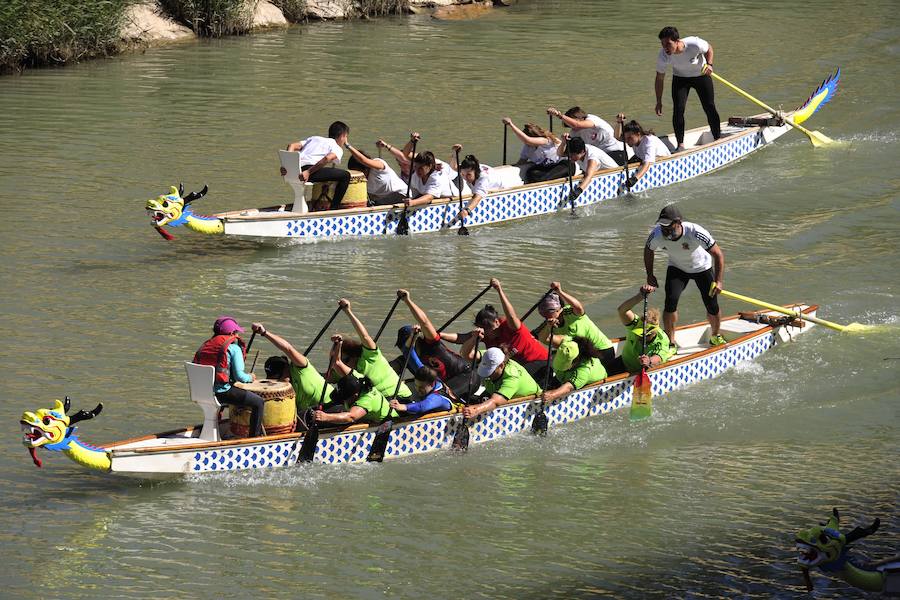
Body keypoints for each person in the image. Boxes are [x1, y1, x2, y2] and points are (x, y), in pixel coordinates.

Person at [644, 204, 726, 346]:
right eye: (662, 226)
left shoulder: (695, 232)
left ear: (678, 223)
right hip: (677, 267)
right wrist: (650, 275)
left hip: (702, 268)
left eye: (668, 226)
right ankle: (670, 342)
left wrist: (718, 281)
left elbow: (718, 255)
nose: (665, 230)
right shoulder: (657, 235)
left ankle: (715, 335)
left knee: (712, 305)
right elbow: (648, 250)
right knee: (670, 303)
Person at [328, 298, 413, 401]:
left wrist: (348, 311)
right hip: (376, 401)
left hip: (398, 398)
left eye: (345, 361)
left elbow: (365, 336)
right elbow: (327, 376)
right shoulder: (347, 370)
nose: (342, 365)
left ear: (354, 356)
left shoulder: (371, 356)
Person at [194, 317, 264, 438]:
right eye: (236, 332)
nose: (237, 334)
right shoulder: (234, 348)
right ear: (232, 333)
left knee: (232, 395)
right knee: (258, 402)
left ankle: (213, 428)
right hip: (221, 393)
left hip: (202, 393)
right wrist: (251, 377)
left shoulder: (205, 346)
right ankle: (254, 438)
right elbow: (240, 377)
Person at [396, 289, 476, 395]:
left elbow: (424, 322)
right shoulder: (408, 358)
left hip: (467, 377)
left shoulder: (431, 342)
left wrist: (407, 300)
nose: (403, 349)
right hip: (447, 382)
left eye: (404, 345)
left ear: (413, 339)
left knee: (436, 395)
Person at [655, 26, 721, 152]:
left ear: (677, 41)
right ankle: (680, 145)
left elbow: (709, 48)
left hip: (701, 76)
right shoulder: (663, 55)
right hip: (680, 79)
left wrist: (710, 64)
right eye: (663, 44)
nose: (665, 48)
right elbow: (659, 78)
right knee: (678, 110)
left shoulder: (694, 43)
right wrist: (659, 101)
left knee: (709, 106)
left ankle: (717, 138)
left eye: (668, 44)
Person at [250, 322, 335, 413]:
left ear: (286, 368)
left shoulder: (301, 367)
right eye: (275, 380)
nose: (279, 382)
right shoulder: (283, 389)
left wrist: (264, 333)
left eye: (279, 378)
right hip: (311, 414)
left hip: (331, 404)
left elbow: (287, 348)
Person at [472, 278, 548, 378]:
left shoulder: (511, 326)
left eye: (487, 328)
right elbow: (460, 338)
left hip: (540, 362)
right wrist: (443, 335)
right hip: (515, 365)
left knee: (515, 375)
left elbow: (511, 316)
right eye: (482, 329)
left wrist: (499, 290)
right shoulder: (484, 333)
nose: (485, 333)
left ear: (496, 322)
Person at [535, 281, 616, 372]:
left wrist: (559, 292)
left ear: (559, 309)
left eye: (548, 312)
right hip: (583, 355)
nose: (546, 316)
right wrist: (548, 327)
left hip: (602, 351)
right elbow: (539, 338)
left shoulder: (570, 312)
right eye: (543, 313)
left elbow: (578, 307)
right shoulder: (548, 323)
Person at [282, 121, 352, 210]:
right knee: (345, 176)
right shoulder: (337, 147)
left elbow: (291, 146)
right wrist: (308, 172)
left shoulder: (314, 138)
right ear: (342, 136)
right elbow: (327, 158)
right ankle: (334, 208)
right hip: (308, 171)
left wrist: (287, 165)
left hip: (295, 169)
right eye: (346, 137)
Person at [607, 285, 675, 374]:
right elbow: (622, 310)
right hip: (625, 362)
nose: (639, 337)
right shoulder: (636, 324)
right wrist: (641, 295)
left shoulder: (662, 341)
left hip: (645, 368)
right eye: (638, 333)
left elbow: (658, 358)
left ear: (653, 333)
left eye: (644, 335)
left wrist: (649, 361)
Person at [463, 347, 542, 419]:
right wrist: (473, 338)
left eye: (491, 371)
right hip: (494, 392)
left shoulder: (512, 377)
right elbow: (467, 354)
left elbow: (495, 401)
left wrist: (476, 410)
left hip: (532, 404)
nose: (488, 375)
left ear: (501, 365)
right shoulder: (489, 356)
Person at [449, 148, 522, 224]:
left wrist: (467, 210)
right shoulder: (469, 168)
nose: (465, 178)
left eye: (469, 175)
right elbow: (454, 167)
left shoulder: (483, 179)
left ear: (476, 172)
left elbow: (477, 198)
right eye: (463, 175)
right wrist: (455, 154)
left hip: (507, 187)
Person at [547, 106, 626, 165]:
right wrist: (563, 142)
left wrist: (559, 115)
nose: (572, 128)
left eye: (570, 124)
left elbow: (577, 125)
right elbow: (561, 154)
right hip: (596, 157)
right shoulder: (574, 133)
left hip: (616, 152)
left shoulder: (592, 119)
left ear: (579, 117)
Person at [503, 118, 573, 183]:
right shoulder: (527, 147)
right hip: (547, 168)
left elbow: (527, 140)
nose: (525, 143)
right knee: (530, 173)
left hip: (563, 165)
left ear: (535, 137)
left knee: (544, 179)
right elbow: (521, 162)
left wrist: (511, 125)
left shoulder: (547, 140)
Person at [540, 336, 608, 403]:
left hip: (590, 384)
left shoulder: (584, 371)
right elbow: (548, 337)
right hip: (564, 377)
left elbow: (568, 387)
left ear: (576, 361)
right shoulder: (568, 345)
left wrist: (552, 395)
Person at [314, 373, 397, 426]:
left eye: (345, 399)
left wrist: (326, 417)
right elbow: (337, 362)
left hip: (389, 424)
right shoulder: (357, 380)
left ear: (355, 395)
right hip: (367, 418)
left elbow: (351, 417)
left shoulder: (366, 400)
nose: (344, 401)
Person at [557, 136, 618, 207]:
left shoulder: (592, 157)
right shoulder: (576, 150)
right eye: (570, 155)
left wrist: (579, 190)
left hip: (613, 176)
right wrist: (563, 143)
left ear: (582, 152)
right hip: (595, 174)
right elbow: (560, 154)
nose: (570, 157)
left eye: (573, 155)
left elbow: (589, 176)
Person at [615, 116, 671, 188]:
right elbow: (617, 137)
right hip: (643, 158)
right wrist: (619, 122)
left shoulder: (649, 141)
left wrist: (635, 179)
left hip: (661, 161)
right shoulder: (633, 139)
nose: (627, 141)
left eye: (629, 138)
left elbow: (646, 164)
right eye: (626, 138)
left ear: (638, 134)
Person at [389, 366, 455, 416]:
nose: (418, 390)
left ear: (431, 384)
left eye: (421, 387)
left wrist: (403, 407)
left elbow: (421, 407)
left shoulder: (436, 398)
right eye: (416, 385)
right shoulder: (431, 379)